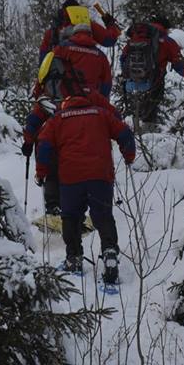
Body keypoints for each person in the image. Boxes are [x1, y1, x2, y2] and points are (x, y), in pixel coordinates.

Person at [35, 85, 135, 283]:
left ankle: (73, 258)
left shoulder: (58, 119)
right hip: (101, 175)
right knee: (103, 215)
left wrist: (42, 172)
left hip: (71, 178)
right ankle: (109, 253)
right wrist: (129, 156)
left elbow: (44, 144)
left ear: (66, 102)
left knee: (71, 217)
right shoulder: (101, 113)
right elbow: (124, 133)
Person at [22, 15, 117, 220]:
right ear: (91, 35)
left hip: (58, 110)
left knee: (55, 155)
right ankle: (95, 206)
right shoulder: (100, 56)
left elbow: (43, 75)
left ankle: (54, 206)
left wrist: (28, 140)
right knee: (91, 156)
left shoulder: (60, 50)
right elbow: (107, 85)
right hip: (90, 110)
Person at [119, 15, 184, 129]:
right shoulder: (167, 41)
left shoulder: (136, 37)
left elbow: (123, 58)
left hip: (132, 81)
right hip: (154, 80)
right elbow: (177, 62)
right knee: (151, 107)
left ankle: (135, 130)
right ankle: (148, 133)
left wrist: (127, 74)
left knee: (136, 108)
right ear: (165, 28)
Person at [39, 0, 121, 61]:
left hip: (60, 79)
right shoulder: (88, 26)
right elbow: (110, 40)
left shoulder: (52, 31)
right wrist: (110, 23)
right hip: (86, 76)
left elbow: (43, 59)